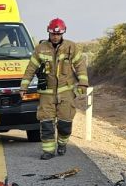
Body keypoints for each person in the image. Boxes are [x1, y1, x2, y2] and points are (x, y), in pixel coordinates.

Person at [19, 18, 89, 159]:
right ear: (49, 32)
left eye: (58, 34)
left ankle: (62, 144)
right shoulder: (40, 49)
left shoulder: (71, 47)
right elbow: (31, 68)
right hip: (47, 94)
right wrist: (23, 86)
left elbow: (80, 66)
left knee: (65, 124)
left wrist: (82, 83)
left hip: (66, 92)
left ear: (63, 33)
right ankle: (48, 151)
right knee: (46, 124)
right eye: (53, 34)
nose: (55, 37)